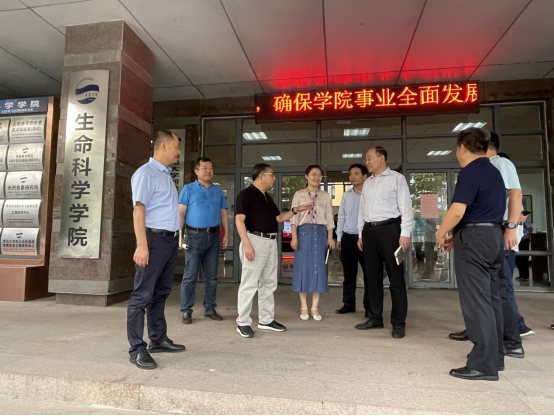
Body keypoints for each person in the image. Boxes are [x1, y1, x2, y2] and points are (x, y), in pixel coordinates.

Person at [449, 133, 534, 348]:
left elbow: (516, 195)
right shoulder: (484, 168)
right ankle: (486, 333)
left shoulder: (499, 164)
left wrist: (510, 227)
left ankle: (512, 335)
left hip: (496, 231)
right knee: (488, 290)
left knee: (499, 288)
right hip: (487, 230)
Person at [437, 128, 506, 381]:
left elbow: (458, 210)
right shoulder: (493, 171)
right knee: (492, 299)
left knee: (477, 302)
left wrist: (441, 232)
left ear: (462, 148)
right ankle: (495, 358)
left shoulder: (470, 171)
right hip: (493, 236)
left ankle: (483, 365)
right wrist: (458, 234)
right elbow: (482, 210)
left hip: (475, 241)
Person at [127, 130, 186, 370]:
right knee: (142, 296)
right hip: (152, 240)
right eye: (176, 147)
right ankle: (136, 349)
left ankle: (158, 338)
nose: (178, 152)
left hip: (168, 242)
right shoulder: (146, 173)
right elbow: (138, 210)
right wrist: (142, 245)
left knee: (160, 293)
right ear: (163, 146)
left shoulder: (166, 175)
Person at [235, 164, 311, 338]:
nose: (274, 178)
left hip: (270, 242)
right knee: (249, 283)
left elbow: (278, 218)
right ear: (261, 176)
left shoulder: (267, 197)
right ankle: (243, 322)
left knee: (269, 282)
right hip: (254, 240)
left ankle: (266, 319)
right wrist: (247, 245)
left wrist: (295, 210)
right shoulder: (245, 194)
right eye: (271, 174)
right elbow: (239, 221)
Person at [356, 146, 415, 339]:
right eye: (366, 158)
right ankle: (375, 318)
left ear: (382, 158)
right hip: (369, 231)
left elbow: (406, 208)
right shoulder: (368, 183)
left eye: (369, 158)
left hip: (391, 231)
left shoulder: (397, 179)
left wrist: (405, 233)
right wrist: (360, 234)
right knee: (372, 278)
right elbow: (362, 210)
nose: (367, 162)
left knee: (396, 278)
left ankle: (399, 323)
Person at [179, 157, 229, 325]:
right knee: (190, 275)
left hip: (214, 237)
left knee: (211, 276)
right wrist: (180, 235)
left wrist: (226, 234)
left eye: (211, 168)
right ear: (196, 171)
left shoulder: (218, 191)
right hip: (194, 236)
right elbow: (181, 213)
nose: (209, 171)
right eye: (205, 168)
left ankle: (210, 309)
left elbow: (223, 213)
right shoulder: (188, 189)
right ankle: (186, 310)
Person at [290, 165, 335, 321]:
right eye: (313, 174)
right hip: (303, 234)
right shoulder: (299, 194)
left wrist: (330, 237)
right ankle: (303, 306)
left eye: (319, 175)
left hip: (320, 233)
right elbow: (294, 218)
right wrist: (294, 237)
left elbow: (329, 217)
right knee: (303, 269)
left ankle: (315, 307)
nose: (317, 177)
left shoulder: (325, 196)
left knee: (318, 269)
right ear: (306, 176)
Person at [336, 164, 369, 315]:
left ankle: (369, 306)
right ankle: (348, 304)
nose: (352, 176)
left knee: (369, 274)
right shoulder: (346, 195)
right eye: (350, 174)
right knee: (349, 274)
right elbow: (341, 216)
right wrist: (339, 237)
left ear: (364, 176)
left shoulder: (369, 194)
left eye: (356, 173)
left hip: (366, 239)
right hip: (348, 238)